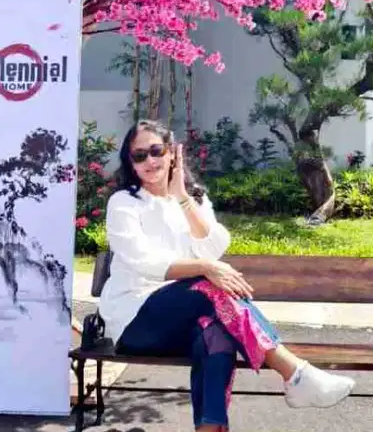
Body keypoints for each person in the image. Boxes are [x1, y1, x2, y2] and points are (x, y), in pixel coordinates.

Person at [98, 120, 355, 431]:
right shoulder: (124, 203)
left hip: (185, 321)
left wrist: (182, 199)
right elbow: (143, 261)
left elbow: (215, 245)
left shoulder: (194, 199)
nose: (150, 162)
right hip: (136, 321)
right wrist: (205, 267)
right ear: (130, 162)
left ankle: (211, 428)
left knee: (217, 334)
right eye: (139, 156)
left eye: (156, 151)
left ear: (172, 154)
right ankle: (294, 372)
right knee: (208, 285)